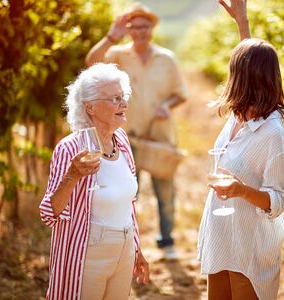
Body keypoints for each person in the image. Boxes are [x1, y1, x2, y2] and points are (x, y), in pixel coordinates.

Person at [197, 1, 284, 299]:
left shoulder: (272, 135)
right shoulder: (241, 116)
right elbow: (252, 60)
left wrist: (240, 191)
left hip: (248, 254)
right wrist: (242, 22)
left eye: (234, 71)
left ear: (243, 78)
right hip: (222, 241)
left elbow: (277, 202)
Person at [85, 3, 188, 259]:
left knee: (165, 191)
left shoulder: (167, 59)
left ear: (152, 28)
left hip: (159, 135)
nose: (141, 31)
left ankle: (167, 242)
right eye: (135, 27)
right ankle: (128, 244)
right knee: (128, 192)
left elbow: (180, 94)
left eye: (145, 26)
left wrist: (167, 105)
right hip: (124, 137)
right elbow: (91, 63)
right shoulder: (118, 55)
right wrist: (111, 36)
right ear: (128, 30)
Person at [39, 63, 149, 300]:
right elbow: (49, 214)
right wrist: (73, 175)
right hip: (88, 251)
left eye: (124, 96)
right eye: (115, 98)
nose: (124, 104)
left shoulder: (120, 139)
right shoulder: (69, 148)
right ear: (90, 107)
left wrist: (137, 248)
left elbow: (128, 201)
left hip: (125, 245)